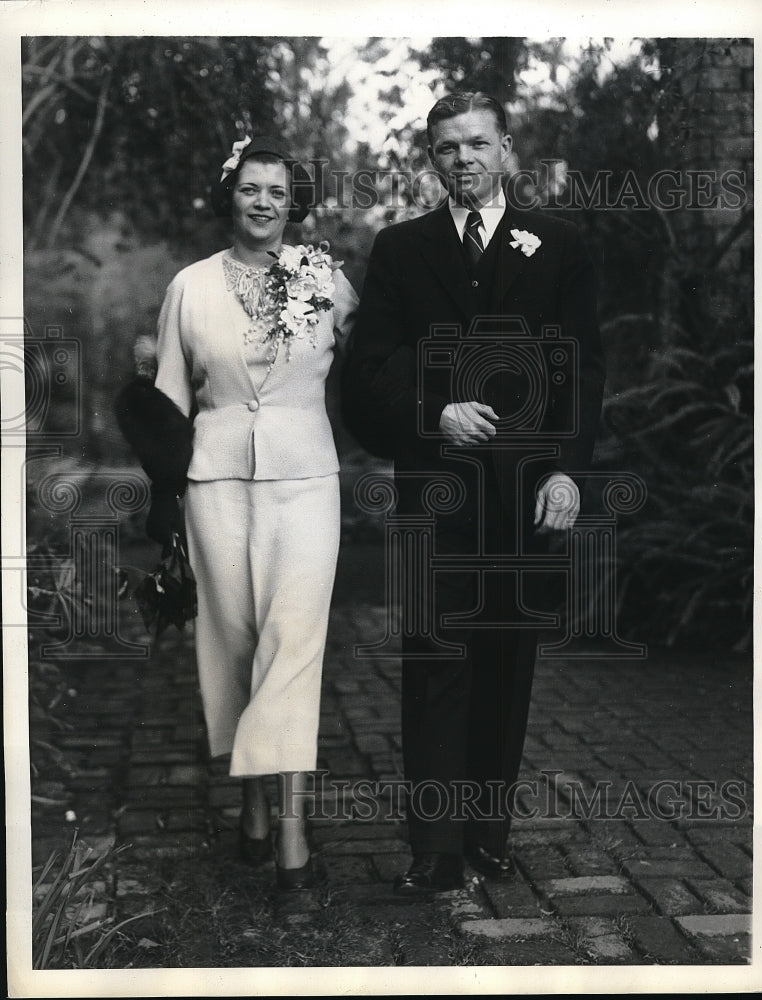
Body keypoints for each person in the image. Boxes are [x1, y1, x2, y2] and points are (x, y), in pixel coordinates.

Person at [341, 92, 605, 894]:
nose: (463, 159)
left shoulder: (558, 245)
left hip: (526, 495)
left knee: (506, 662)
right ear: (432, 159)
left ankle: (488, 835)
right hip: (437, 497)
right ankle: (436, 848)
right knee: (435, 663)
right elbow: (366, 376)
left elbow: (583, 369)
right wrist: (433, 417)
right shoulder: (401, 249)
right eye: (447, 148)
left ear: (506, 151)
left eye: (476, 144)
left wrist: (567, 469)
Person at [117, 136, 359, 890]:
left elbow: (374, 367)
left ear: (295, 204)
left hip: (307, 480)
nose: (262, 203)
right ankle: (254, 805)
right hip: (215, 483)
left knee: (292, 641)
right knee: (234, 643)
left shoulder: (327, 281)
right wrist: (165, 496)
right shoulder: (189, 286)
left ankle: (289, 829)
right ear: (231, 196)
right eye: (250, 188)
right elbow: (168, 397)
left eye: (277, 192)